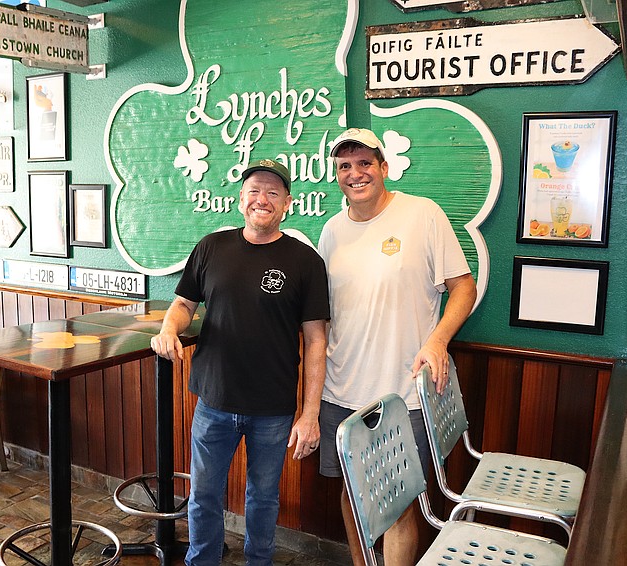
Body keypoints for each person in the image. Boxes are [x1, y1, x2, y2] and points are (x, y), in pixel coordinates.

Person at [150, 158, 330, 566]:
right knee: (204, 496)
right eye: (254, 190)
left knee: (263, 500)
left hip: (274, 408)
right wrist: (168, 330)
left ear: (288, 203)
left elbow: (317, 341)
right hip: (213, 401)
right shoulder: (212, 247)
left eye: (272, 192)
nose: (261, 199)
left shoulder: (306, 261)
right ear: (240, 199)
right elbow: (182, 304)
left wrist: (311, 413)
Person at [317, 128, 477, 565]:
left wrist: (438, 340)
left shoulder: (422, 214)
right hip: (340, 392)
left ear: (384, 168)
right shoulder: (331, 231)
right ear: (337, 176)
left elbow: (464, 287)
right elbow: (327, 316)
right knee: (352, 496)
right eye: (345, 166)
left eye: (365, 163)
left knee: (397, 505)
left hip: (402, 394)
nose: (356, 173)